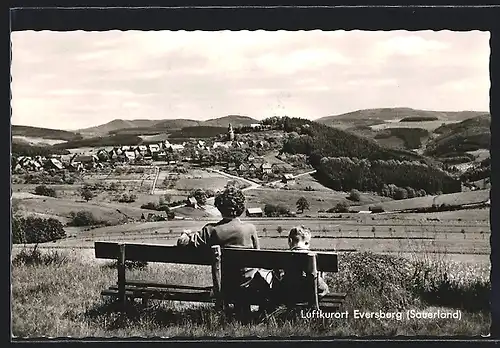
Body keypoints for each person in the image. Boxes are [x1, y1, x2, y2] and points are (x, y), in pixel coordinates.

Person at [176, 185, 271, 320]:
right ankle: (244, 315)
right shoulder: (250, 229)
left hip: (225, 286)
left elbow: (183, 243)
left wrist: (185, 234)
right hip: (250, 285)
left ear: (219, 207)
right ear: (241, 208)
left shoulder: (211, 230)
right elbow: (258, 257)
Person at [270, 226, 329, 307]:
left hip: (288, 294)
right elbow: (320, 285)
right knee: (323, 287)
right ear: (307, 243)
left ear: (290, 241)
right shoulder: (312, 256)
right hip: (308, 294)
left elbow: (276, 276)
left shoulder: (283, 256)